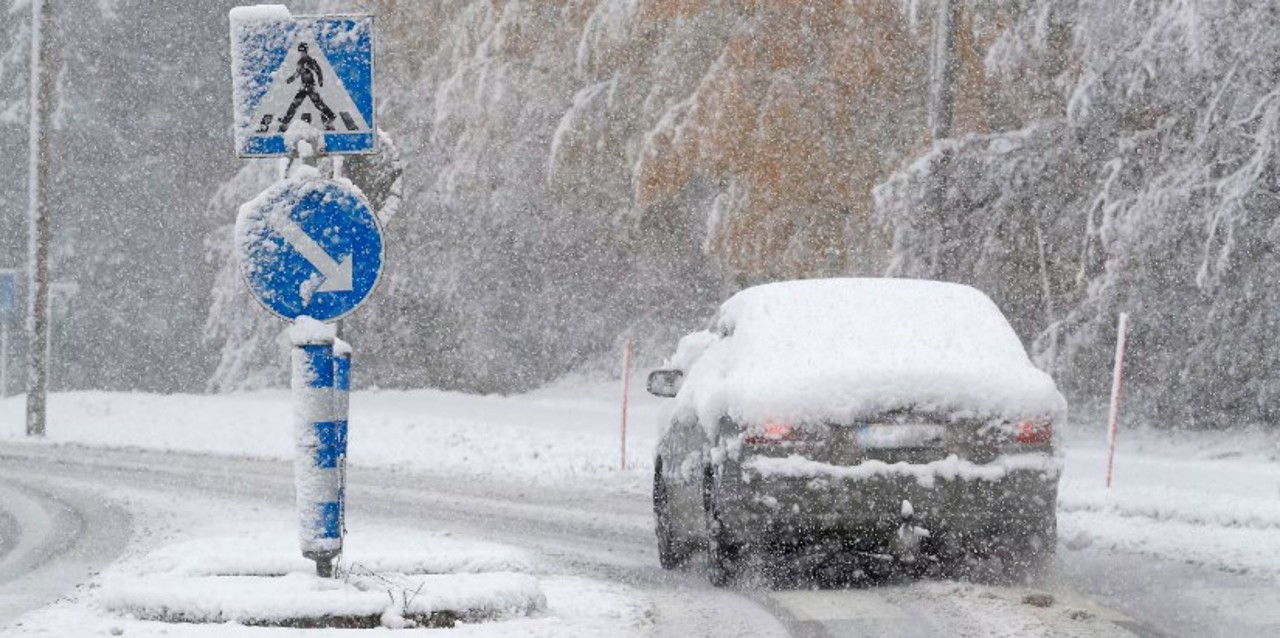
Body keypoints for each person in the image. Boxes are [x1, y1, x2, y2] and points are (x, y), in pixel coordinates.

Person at [278, 42, 336, 132]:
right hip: (303, 87)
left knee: (318, 103)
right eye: (300, 51)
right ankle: (285, 122)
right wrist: (291, 79)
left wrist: (320, 80)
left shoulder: (309, 60)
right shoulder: (300, 62)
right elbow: (297, 73)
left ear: (306, 51)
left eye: (303, 51)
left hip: (310, 86)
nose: (302, 53)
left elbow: (318, 70)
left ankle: (330, 116)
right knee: (295, 104)